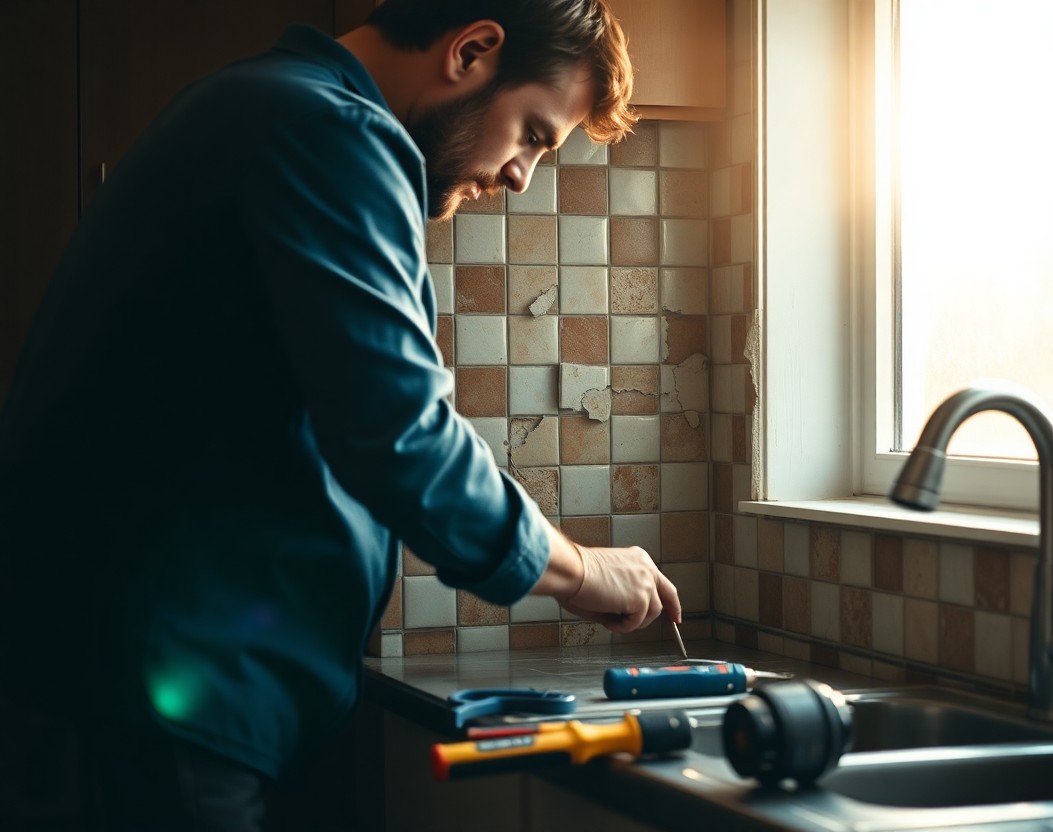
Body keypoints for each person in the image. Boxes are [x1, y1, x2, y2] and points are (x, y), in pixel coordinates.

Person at [0, 1, 681, 828]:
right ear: (471, 50)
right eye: (533, 134)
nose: (519, 174)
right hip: (151, 701)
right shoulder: (328, 130)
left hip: (126, 690)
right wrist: (576, 570)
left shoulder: (260, 102)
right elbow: (400, 435)